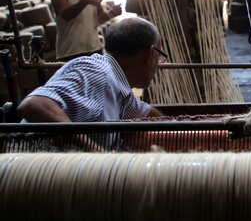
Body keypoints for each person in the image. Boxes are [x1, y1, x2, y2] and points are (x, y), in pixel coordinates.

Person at [17, 17, 165, 150]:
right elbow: (34, 103)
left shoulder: (118, 88)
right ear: (148, 54)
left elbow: (145, 116)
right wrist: (97, 157)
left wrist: (182, 127)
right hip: (27, 173)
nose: (158, 64)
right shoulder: (98, 73)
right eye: (158, 57)